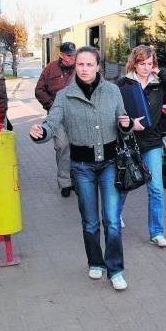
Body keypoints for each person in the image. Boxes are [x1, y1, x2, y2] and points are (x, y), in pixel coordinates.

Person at [30, 46, 142, 291]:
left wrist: (126, 125)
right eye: (80, 64)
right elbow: (52, 122)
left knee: (112, 220)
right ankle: (95, 262)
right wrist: (41, 132)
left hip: (111, 164)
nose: (84, 69)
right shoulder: (65, 96)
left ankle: (116, 270)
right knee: (90, 222)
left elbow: (123, 120)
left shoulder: (112, 91)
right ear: (75, 66)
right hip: (81, 167)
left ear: (98, 66)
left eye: (89, 64)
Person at [118, 45, 166, 247]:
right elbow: (116, 111)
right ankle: (115, 216)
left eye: (150, 64)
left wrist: (162, 72)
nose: (146, 68)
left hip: (153, 142)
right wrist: (130, 124)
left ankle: (157, 233)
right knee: (126, 185)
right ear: (134, 63)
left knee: (156, 188)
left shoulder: (159, 84)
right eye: (142, 64)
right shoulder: (124, 84)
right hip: (129, 141)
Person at [35, 41, 76, 197]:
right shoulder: (50, 69)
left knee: (76, 146)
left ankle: (76, 179)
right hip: (56, 116)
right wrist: (52, 106)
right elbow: (39, 90)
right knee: (62, 145)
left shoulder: (80, 68)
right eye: (69, 55)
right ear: (62, 55)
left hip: (75, 115)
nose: (72, 58)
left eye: (74, 55)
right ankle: (65, 183)